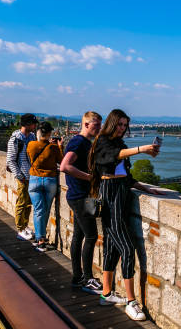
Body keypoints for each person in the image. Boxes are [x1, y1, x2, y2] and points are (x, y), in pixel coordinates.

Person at [88, 109, 164, 321]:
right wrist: (141, 149)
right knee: (128, 250)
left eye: (124, 125)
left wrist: (146, 188)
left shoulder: (120, 144)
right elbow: (112, 158)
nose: (122, 128)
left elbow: (125, 175)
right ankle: (131, 302)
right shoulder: (102, 141)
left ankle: (106, 294)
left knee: (112, 248)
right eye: (119, 124)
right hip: (110, 195)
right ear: (112, 124)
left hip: (121, 192)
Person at [60, 111, 103, 294]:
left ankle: (77, 277)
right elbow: (65, 166)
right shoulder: (78, 142)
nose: (99, 129)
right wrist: (90, 178)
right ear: (86, 124)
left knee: (79, 236)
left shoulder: (85, 142)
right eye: (96, 126)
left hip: (79, 195)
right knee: (91, 236)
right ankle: (87, 278)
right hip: (80, 196)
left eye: (100, 126)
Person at [26, 122, 64, 252]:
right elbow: (61, 161)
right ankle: (41, 238)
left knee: (38, 210)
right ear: (49, 134)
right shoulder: (53, 147)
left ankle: (40, 239)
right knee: (45, 210)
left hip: (34, 180)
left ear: (38, 132)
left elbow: (30, 157)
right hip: (50, 180)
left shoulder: (31, 145)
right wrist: (59, 147)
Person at [6, 113, 38, 241]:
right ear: (27, 124)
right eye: (33, 123)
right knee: (21, 202)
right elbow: (10, 160)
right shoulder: (15, 139)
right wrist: (19, 176)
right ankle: (20, 229)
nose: (35, 126)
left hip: (31, 175)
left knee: (28, 203)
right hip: (23, 176)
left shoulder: (32, 137)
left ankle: (24, 226)